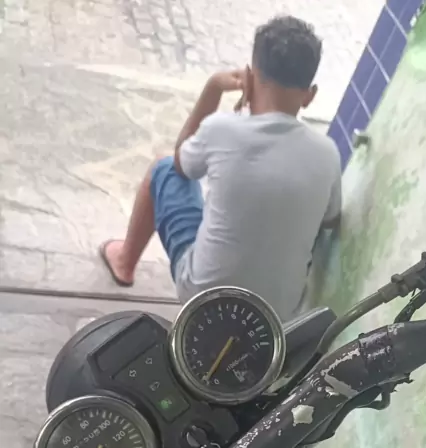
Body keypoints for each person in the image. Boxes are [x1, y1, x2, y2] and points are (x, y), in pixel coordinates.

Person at [99, 16, 342, 322]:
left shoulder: (221, 129)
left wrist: (213, 88)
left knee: (163, 167)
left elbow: (181, 165)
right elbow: (331, 219)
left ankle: (124, 262)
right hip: (274, 317)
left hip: (203, 296)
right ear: (310, 95)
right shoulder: (327, 153)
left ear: (249, 77)